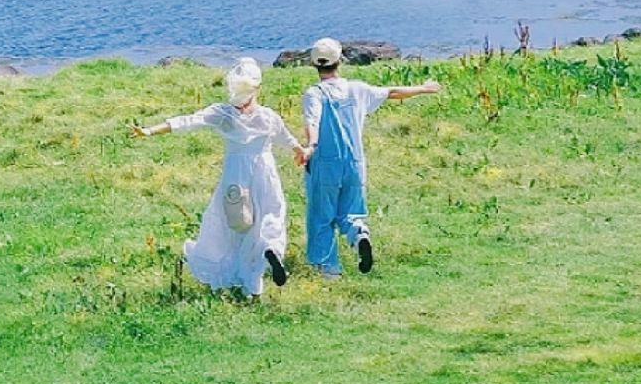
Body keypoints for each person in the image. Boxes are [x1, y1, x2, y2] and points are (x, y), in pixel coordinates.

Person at [133, 58, 307, 297]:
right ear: (257, 87)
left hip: (235, 175)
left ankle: (245, 281)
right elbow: (288, 140)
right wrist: (301, 152)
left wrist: (150, 130)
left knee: (236, 224)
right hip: (265, 172)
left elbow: (187, 121)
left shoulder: (223, 114)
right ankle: (269, 251)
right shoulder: (268, 116)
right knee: (271, 214)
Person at [302, 38, 443, 278]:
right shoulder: (357, 89)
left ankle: (328, 269)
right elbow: (392, 92)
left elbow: (312, 121)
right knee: (350, 212)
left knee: (322, 218)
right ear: (340, 61)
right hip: (355, 162)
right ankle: (358, 234)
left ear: (314, 64)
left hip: (325, 163)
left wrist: (311, 146)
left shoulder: (314, 94)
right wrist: (423, 88)